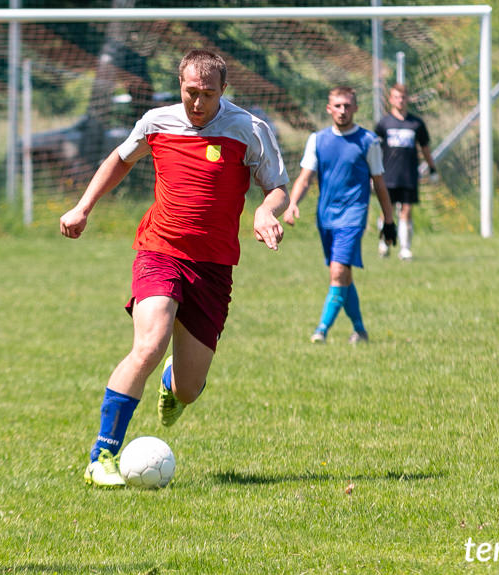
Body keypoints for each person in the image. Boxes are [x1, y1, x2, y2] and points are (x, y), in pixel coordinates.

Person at [59, 49, 289, 488]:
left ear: (224, 91)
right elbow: (121, 159)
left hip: (215, 267)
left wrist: (265, 213)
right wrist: (83, 207)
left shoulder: (249, 129)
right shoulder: (156, 122)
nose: (197, 103)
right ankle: (100, 457)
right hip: (160, 250)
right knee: (149, 344)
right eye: (190, 92)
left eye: (207, 94)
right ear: (179, 85)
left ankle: (173, 384)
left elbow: (277, 187)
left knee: (187, 388)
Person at [283, 86, 397, 345]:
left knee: (337, 273)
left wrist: (388, 220)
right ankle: (360, 330)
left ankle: (321, 330)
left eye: (348, 105)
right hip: (326, 218)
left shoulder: (369, 141)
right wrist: (292, 204)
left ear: (356, 108)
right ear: (329, 108)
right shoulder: (317, 140)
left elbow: (379, 183)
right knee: (343, 276)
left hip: (353, 217)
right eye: (338, 105)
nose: (343, 110)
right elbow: (305, 177)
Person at [374, 83, 438, 260]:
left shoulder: (416, 123)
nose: (400, 100)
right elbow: (374, 150)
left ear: (407, 99)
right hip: (388, 175)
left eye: (403, 97)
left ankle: (405, 248)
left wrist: (432, 168)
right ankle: (384, 243)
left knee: (407, 210)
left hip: (408, 175)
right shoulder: (383, 123)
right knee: (387, 210)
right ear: (391, 99)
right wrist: (371, 173)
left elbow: (425, 147)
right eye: (396, 97)